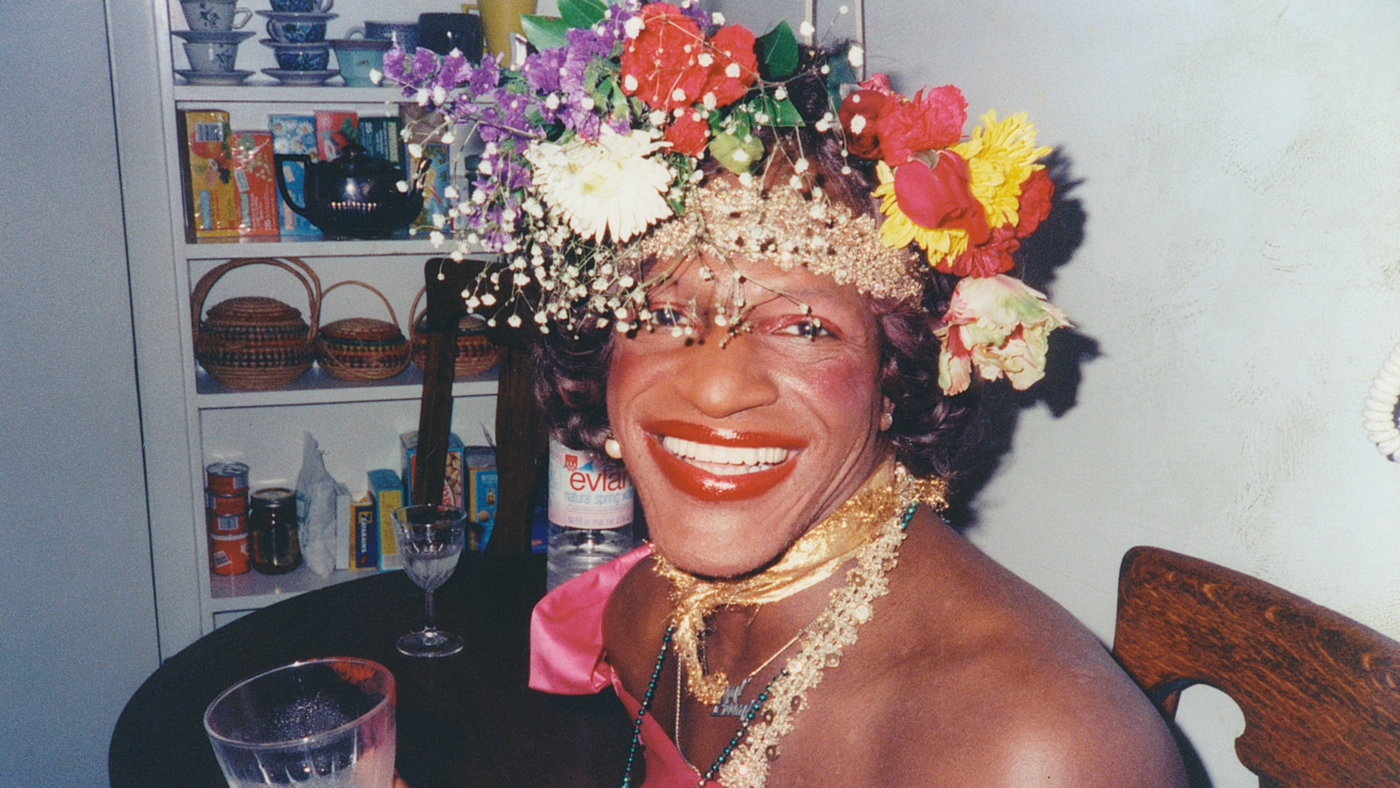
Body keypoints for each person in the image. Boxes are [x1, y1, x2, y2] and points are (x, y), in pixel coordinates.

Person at [386, 2, 1189, 786]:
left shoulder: (1038, 750)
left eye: (804, 328)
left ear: (894, 378)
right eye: (663, 313)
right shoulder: (642, 614)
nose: (715, 387)